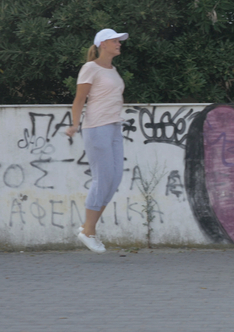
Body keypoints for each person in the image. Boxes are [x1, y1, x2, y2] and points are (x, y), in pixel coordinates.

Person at [65, 28, 129, 253]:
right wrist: (74, 124)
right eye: (115, 41)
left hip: (113, 127)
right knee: (103, 179)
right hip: (96, 128)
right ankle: (88, 231)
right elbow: (79, 99)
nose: (119, 43)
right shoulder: (90, 68)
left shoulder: (113, 69)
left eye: (119, 41)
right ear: (103, 44)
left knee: (115, 179)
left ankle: (87, 227)